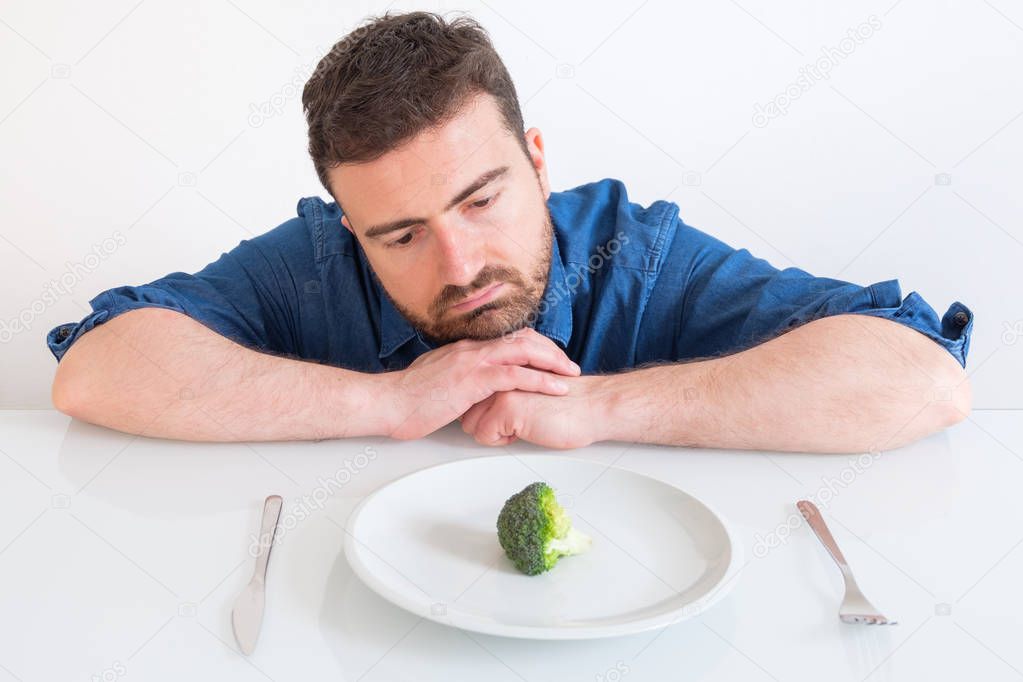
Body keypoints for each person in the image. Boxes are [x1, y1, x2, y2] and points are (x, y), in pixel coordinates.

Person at [48, 11, 974, 452]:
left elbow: (919, 377)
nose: (460, 266)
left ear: (536, 161)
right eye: (401, 235)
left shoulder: (632, 252)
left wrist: (607, 408)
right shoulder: (319, 261)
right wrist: (386, 403)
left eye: (482, 200)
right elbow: (96, 368)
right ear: (351, 227)